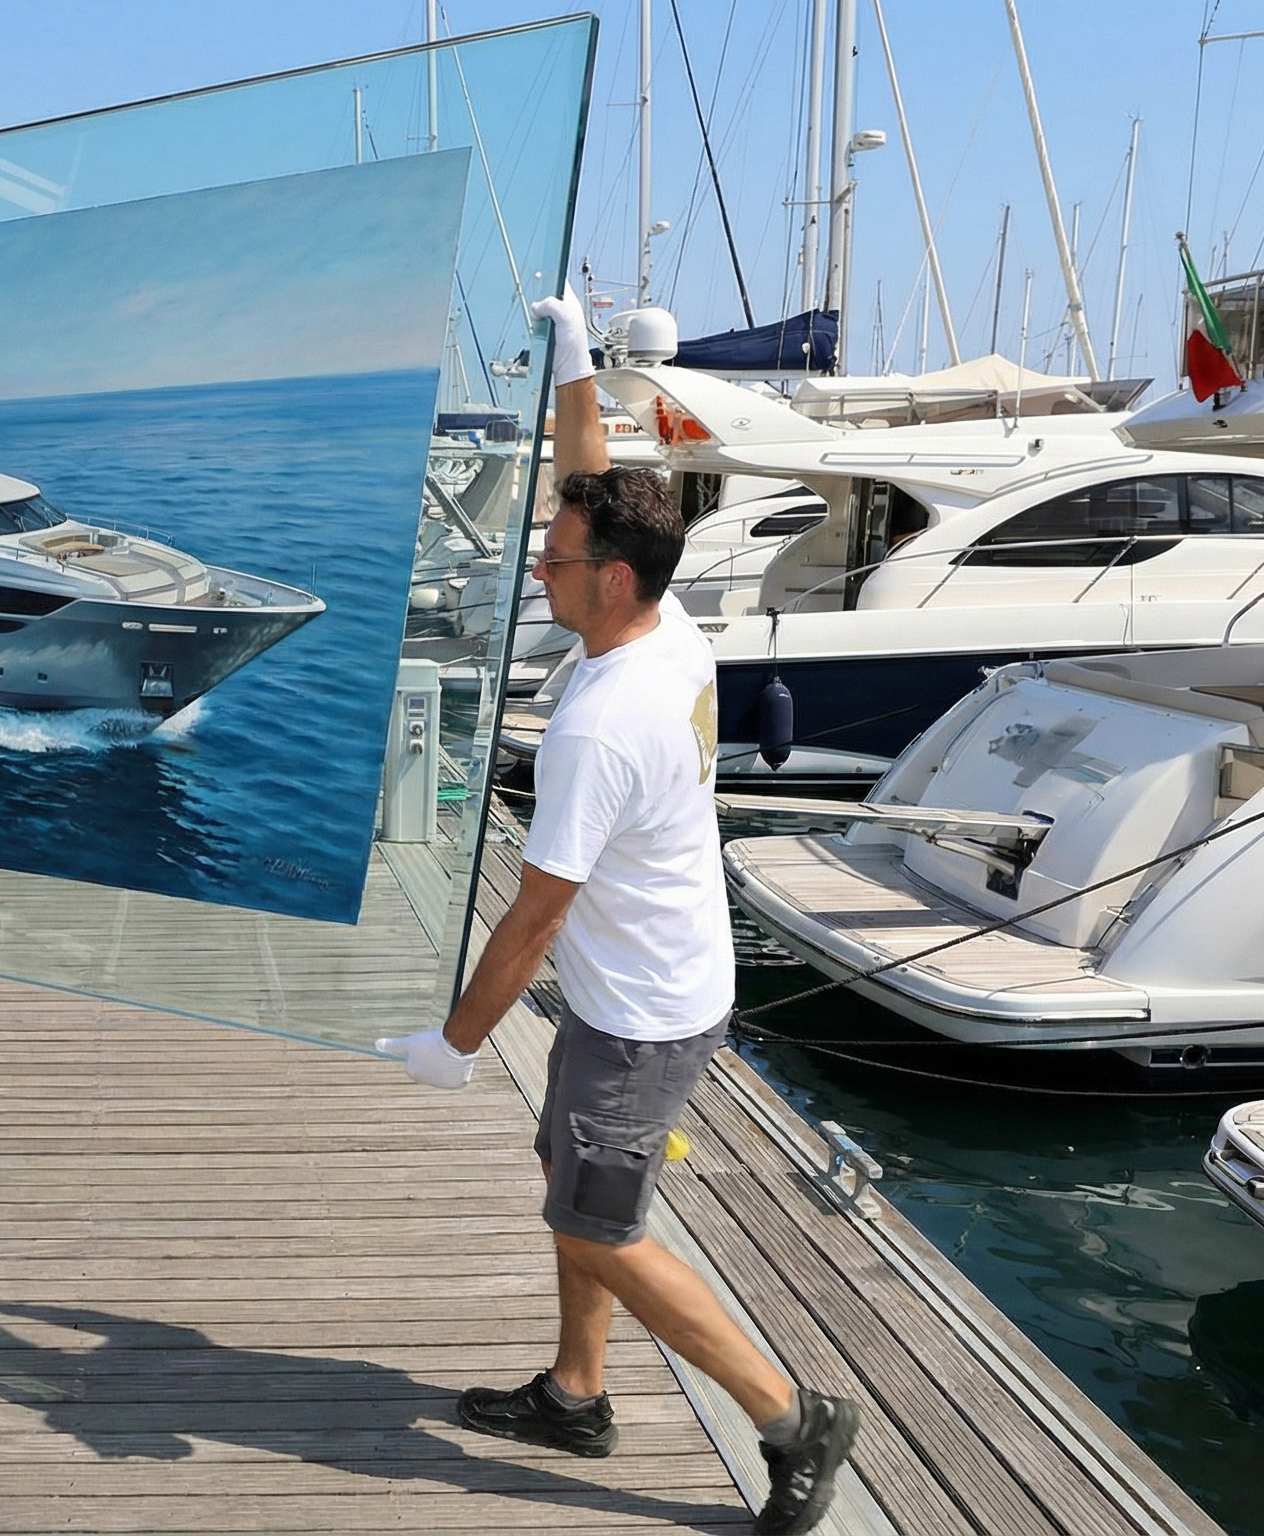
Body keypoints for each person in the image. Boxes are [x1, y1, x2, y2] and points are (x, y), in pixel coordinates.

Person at [375, 291, 858, 1536]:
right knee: (572, 1189)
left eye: (555, 560)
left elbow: (532, 917)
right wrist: (580, 365)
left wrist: (455, 1044)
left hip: (642, 1009)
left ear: (615, 579)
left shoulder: (599, 722)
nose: (538, 565)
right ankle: (576, 1394)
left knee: (601, 1223)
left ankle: (791, 1416)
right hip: (642, 985)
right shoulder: (659, 622)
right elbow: (591, 477)